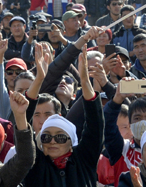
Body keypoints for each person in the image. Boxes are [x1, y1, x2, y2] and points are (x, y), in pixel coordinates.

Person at [23, 46, 104, 187]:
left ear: (71, 142)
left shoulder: (84, 160)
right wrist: (39, 80)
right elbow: (24, 125)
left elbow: (95, 125)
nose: (53, 142)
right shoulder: (34, 164)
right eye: (46, 137)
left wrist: (85, 82)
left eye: (60, 137)